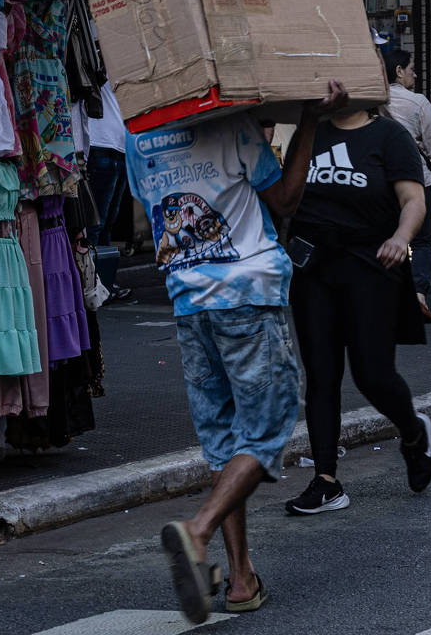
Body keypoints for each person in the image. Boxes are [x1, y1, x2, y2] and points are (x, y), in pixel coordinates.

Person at [126, 81, 347, 624]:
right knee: (267, 430)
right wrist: (309, 120)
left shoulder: (138, 134)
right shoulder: (230, 124)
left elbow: (149, 201)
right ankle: (196, 531)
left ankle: (241, 578)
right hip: (245, 294)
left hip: (187, 300)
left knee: (225, 440)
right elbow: (286, 199)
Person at [284, 104, 431, 516]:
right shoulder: (310, 132)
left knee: (372, 375)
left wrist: (400, 237)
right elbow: (287, 194)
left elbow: (413, 199)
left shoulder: (389, 136)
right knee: (321, 373)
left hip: (372, 266)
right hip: (314, 268)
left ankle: (412, 433)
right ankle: (326, 481)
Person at [382, 50, 431, 320]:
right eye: (411, 68)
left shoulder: (374, 102)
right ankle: (418, 295)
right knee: (422, 241)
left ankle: (387, 297)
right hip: (417, 180)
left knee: (386, 237)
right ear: (399, 71)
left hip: (382, 182)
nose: (414, 73)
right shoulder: (418, 103)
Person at [86, 81, 133, 300]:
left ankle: (103, 282)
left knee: (108, 223)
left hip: (119, 147)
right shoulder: (99, 58)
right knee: (97, 222)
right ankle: (92, 283)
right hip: (101, 145)